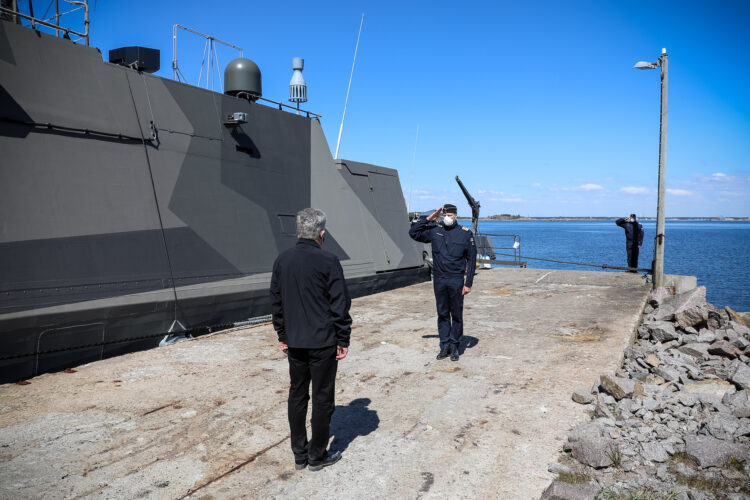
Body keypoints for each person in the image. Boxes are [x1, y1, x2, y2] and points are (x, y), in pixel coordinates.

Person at [270, 208, 352, 471]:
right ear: (322, 233)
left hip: (294, 342)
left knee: (297, 395)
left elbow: (276, 301)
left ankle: (299, 454)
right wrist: (343, 338)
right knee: (322, 397)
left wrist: (282, 334)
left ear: (299, 230)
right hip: (323, 342)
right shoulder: (329, 261)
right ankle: (317, 456)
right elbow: (340, 304)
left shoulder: (282, 260)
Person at [409, 204, 477, 361]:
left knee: (456, 314)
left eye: (451, 216)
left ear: (456, 216)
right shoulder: (435, 230)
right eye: (445, 215)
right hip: (439, 279)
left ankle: (455, 346)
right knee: (443, 313)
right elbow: (413, 233)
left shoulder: (465, 234)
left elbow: (472, 260)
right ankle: (444, 345)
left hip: (456, 279)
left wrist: (469, 283)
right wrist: (428, 219)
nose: (447, 218)